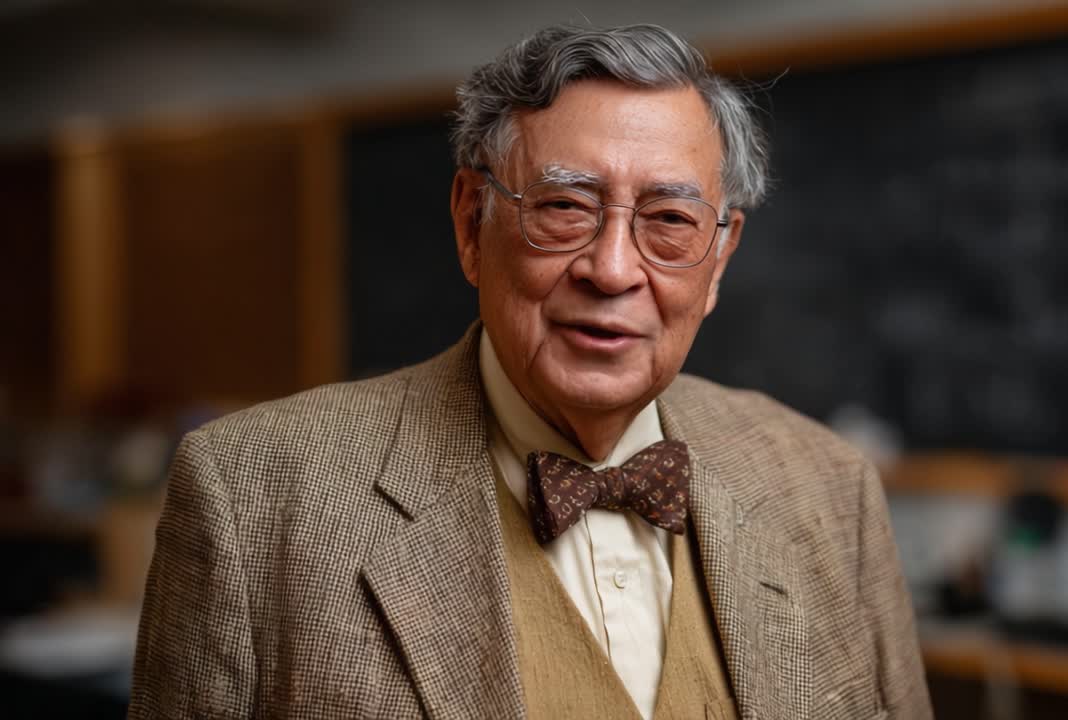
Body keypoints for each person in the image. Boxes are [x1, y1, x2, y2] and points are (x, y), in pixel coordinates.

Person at [129, 23, 931, 720]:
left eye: (670, 221)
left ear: (719, 260)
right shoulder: (250, 496)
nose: (613, 269)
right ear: (472, 223)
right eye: (565, 208)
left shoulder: (830, 487)